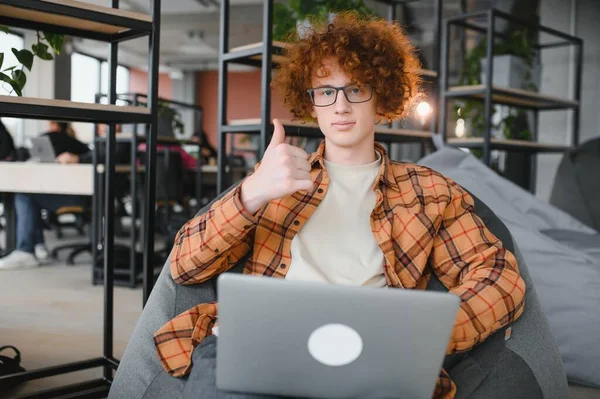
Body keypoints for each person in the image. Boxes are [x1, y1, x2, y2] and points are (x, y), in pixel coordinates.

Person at [153, 13, 526, 399]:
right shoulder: (275, 176)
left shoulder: (430, 191)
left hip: (370, 354)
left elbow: (500, 277)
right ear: (311, 103)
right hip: (258, 343)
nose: (341, 106)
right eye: (326, 91)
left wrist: (424, 335)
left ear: (381, 98)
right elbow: (184, 266)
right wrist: (252, 192)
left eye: (356, 89)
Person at [0, 121, 90, 270]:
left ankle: (27, 249)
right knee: (29, 195)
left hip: (80, 194)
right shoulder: (79, 144)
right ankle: (37, 244)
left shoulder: (56, 138)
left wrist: (76, 160)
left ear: (55, 126)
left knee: (25, 195)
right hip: (75, 190)